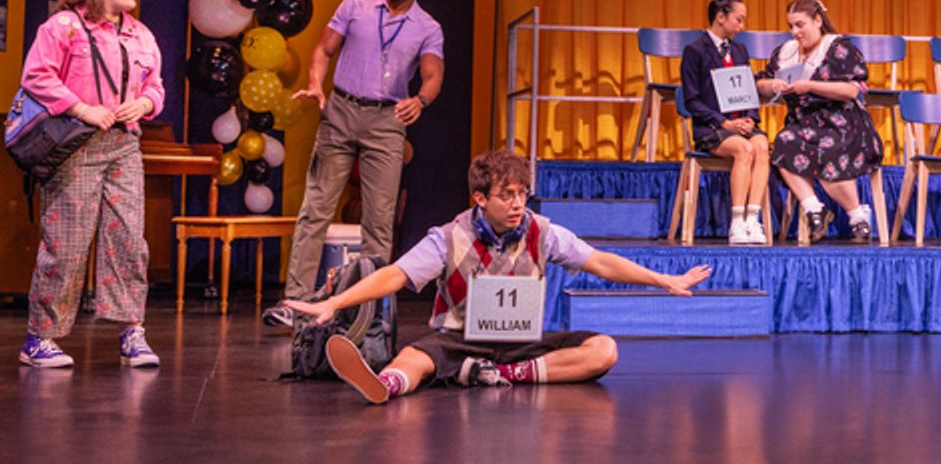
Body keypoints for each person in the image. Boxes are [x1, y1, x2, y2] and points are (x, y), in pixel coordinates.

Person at [280, 150, 711, 402]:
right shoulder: (449, 236)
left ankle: (496, 375)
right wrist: (334, 302)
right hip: (459, 338)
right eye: (507, 196)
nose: (518, 203)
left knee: (604, 351)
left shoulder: (544, 232)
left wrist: (664, 281)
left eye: (522, 194)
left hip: (521, 346)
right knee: (415, 358)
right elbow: (395, 275)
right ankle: (386, 386)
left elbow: (599, 260)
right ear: (480, 198)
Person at [264, 0, 445, 327]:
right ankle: (294, 302)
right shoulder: (356, 5)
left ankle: (370, 310)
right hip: (341, 112)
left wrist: (422, 100)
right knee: (316, 208)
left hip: (387, 119)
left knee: (379, 221)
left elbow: (432, 74)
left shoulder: (427, 27)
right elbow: (324, 48)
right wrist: (315, 84)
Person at [17, 0, 165, 368]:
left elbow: (156, 85)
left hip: (124, 145)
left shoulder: (141, 34)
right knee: (67, 241)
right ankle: (40, 338)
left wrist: (146, 105)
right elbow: (37, 76)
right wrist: (82, 108)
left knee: (129, 241)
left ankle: (131, 331)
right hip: (76, 143)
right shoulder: (63, 27)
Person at [756, 0, 883, 241]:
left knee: (828, 146)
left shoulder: (840, 48)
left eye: (800, 25)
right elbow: (759, 84)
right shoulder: (785, 52)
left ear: (818, 20)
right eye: (791, 26)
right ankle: (815, 210)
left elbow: (852, 90)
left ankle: (857, 218)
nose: (795, 32)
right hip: (802, 124)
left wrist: (810, 86)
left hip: (844, 123)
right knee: (784, 141)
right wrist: (771, 85)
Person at [679, 0, 771, 245]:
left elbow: (748, 90)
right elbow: (692, 100)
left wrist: (751, 117)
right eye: (738, 19)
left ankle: (753, 219)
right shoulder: (695, 51)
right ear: (721, 17)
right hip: (713, 127)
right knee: (744, 149)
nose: (742, 25)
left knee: (761, 145)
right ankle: (737, 222)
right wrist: (724, 122)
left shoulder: (740, 51)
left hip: (741, 124)